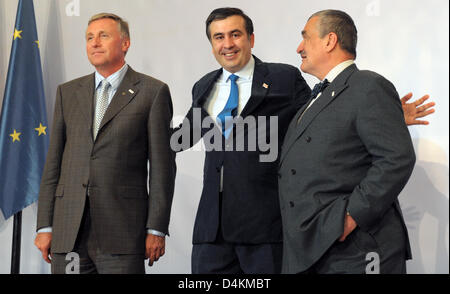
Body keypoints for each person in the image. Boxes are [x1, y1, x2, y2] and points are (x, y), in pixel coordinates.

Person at [175, 7, 431, 274]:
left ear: (250, 39)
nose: (227, 44)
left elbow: (322, 119)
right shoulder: (203, 85)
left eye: (235, 34)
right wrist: (141, 130)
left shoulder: (284, 78)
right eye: (218, 37)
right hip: (212, 232)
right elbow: (183, 136)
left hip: (266, 229)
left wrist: (389, 117)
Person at [34, 13, 176, 274]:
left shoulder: (152, 92)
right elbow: (53, 163)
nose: (95, 43)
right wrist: (45, 225)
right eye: (89, 37)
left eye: (103, 36)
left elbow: (162, 168)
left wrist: (156, 228)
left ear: (125, 43)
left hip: (122, 231)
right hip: (69, 230)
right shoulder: (68, 92)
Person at [278, 9, 417, 274]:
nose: (299, 48)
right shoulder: (315, 98)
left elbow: (397, 158)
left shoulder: (368, 85)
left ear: (330, 41)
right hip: (311, 247)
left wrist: (351, 216)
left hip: (356, 250)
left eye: (305, 38)